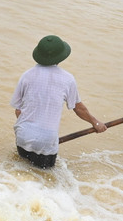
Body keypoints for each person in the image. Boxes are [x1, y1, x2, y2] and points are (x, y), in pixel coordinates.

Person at [10, 35, 106, 169]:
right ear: (61, 57)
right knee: (45, 179)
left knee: (21, 171)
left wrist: (31, 133)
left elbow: (18, 109)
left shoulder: (26, 75)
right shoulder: (67, 79)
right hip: (46, 141)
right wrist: (96, 123)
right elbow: (78, 108)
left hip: (23, 136)